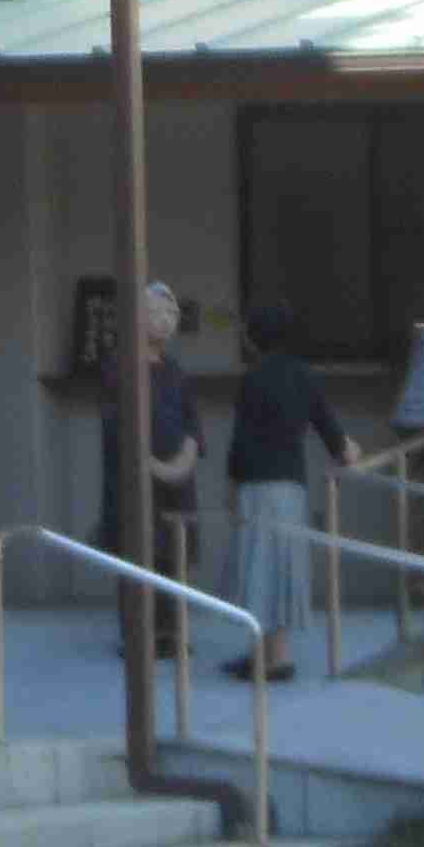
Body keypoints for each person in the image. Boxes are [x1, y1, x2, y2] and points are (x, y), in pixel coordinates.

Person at [222, 297, 356, 680]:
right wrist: (351, 450)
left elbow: (240, 441)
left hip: (254, 485)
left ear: (254, 336)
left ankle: (267, 658)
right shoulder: (305, 376)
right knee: (282, 569)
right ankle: (274, 656)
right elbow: (335, 438)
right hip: (290, 486)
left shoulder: (251, 379)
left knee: (257, 568)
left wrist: (230, 485)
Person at [95, 279, 201, 663]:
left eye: (173, 311)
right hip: (135, 483)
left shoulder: (177, 371)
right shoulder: (118, 367)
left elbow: (192, 425)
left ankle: (173, 632)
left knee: (175, 558)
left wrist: (181, 463)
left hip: (178, 483)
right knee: (138, 555)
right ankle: (139, 634)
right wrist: (151, 466)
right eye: (160, 310)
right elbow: (119, 426)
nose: (169, 318)